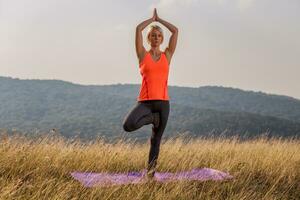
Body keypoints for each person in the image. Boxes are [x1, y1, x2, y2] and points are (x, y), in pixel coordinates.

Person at [122, 8, 178, 179]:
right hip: (145, 102)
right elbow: (138, 29)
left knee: (155, 141)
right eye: (153, 35)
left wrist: (159, 20)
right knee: (128, 125)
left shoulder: (167, 54)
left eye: (158, 35)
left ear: (162, 39)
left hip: (163, 103)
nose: (156, 38)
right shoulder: (142, 54)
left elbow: (175, 31)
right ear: (148, 38)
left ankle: (150, 176)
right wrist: (150, 20)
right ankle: (153, 120)